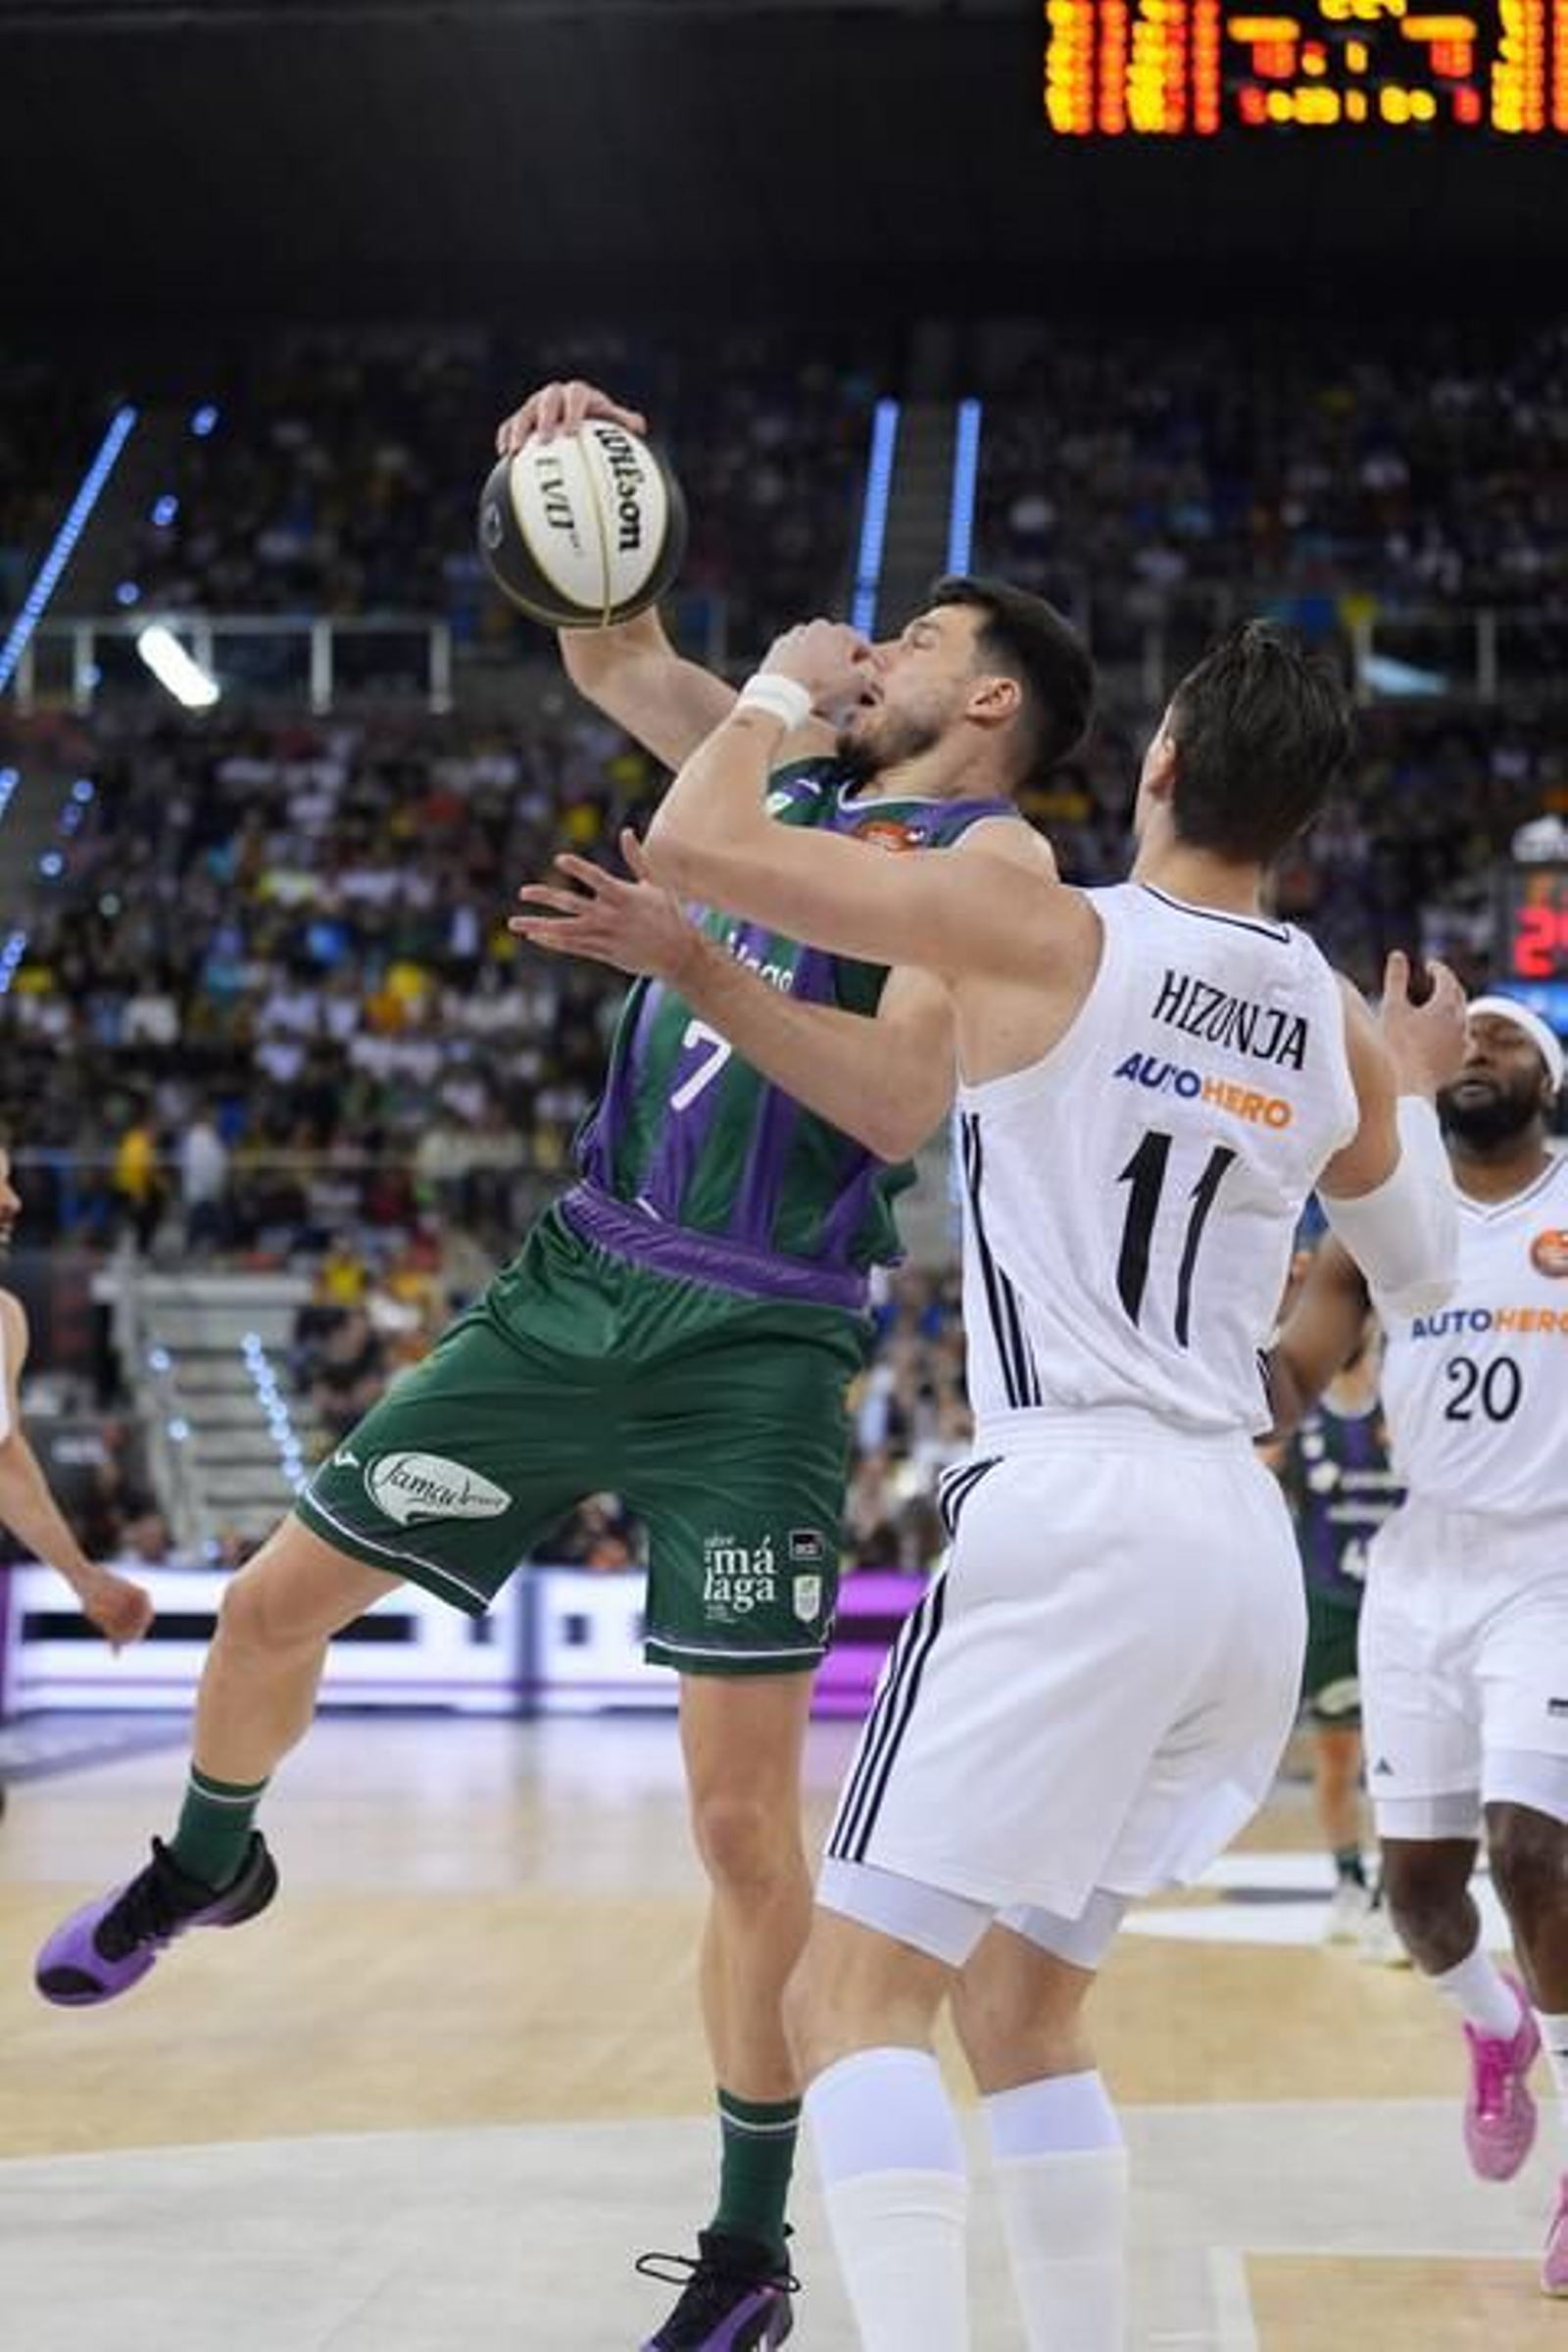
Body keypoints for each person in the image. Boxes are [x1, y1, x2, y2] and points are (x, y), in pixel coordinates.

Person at [35, 380, 1091, 2352]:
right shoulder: (767, 783)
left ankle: (745, 2255)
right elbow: (606, 636)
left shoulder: (989, 867)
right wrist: (563, 460)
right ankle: (205, 1865)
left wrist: (702, 932)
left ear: (983, 705)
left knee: (736, 1831)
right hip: (571, 1293)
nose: (872, 653)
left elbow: (886, 1113)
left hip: (757, 1351)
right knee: (268, 1610)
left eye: (916, 645)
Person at [540, 613, 1465, 2351]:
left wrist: (772, 694)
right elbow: (1406, 1278)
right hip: (1235, 1548)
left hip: (1071, 1516)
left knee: (850, 2000)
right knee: (1027, 2014)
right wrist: (1396, 1098)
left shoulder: (1039, 927)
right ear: (1302, 820)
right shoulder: (1332, 1017)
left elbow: (698, 849)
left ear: (1161, 769)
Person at [1268, 994, 1568, 2295]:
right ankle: (1495, 2033)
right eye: (1469, 1034)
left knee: (1533, 1847)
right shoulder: (1384, 1215)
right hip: (1417, 1567)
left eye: (1510, 1038)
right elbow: (1288, 1377)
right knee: (1424, 1895)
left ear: (1548, 1083)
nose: (1483, 1045)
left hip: (1551, 1567)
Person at [0, 1142, 155, 1819]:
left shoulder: (3, 1319)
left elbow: (4, 1461)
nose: (12, 1201)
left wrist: (84, 1578)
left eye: (8, 1181)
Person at [1269, 1298, 1404, 1950]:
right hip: (1329, 1602)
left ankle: (1400, 1893)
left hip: (1403, 1602)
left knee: (1403, 1759)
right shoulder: (1304, 1416)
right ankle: (1352, 1884)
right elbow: (1251, 1467)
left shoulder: (1407, 1404)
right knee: (1338, 1756)